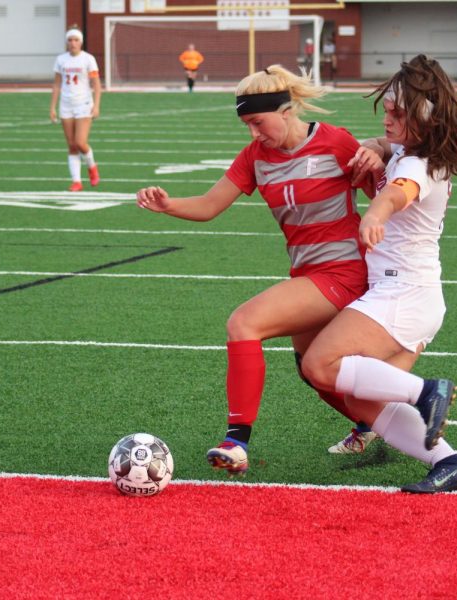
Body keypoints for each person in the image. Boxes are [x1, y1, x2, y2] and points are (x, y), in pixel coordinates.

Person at [138, 65, 380, 475]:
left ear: (286, 111)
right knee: (313, 371)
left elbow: (381, 191)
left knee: (244, 323)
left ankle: (236, 441)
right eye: (246, 124)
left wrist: (381, 155)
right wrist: (168, 205)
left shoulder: (336, 143)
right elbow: (211, 205)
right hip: (307, 275)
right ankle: (378, 422)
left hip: (344, 272)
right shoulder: (255, 156)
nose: (252, 133)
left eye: (257, 122)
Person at [301, 54, 457, 493]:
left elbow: (398, 193)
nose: (388, 119)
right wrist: (376, 145)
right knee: (362, 399)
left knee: (318, 363)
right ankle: (450, 463)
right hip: (417, 296)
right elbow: (391, 152)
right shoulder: (416, 151)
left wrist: (375, 212)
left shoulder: (416, 165)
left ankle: (427, 390)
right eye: (387, 110)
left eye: (398, 113)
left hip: (401, 294)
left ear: (425, 115)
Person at [50, 28, 101, 192]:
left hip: (83, 103)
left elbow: (96, 84)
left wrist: (97, 105)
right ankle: (76, 181)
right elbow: (57, 84)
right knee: (71, 145)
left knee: (80, 142)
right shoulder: (61, 59)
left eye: (76, 40)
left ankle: (92, 166)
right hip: (66, 104)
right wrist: (52, 107)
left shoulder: (88, 59)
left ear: (81, 42)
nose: (73, 43)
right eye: (70, 40)